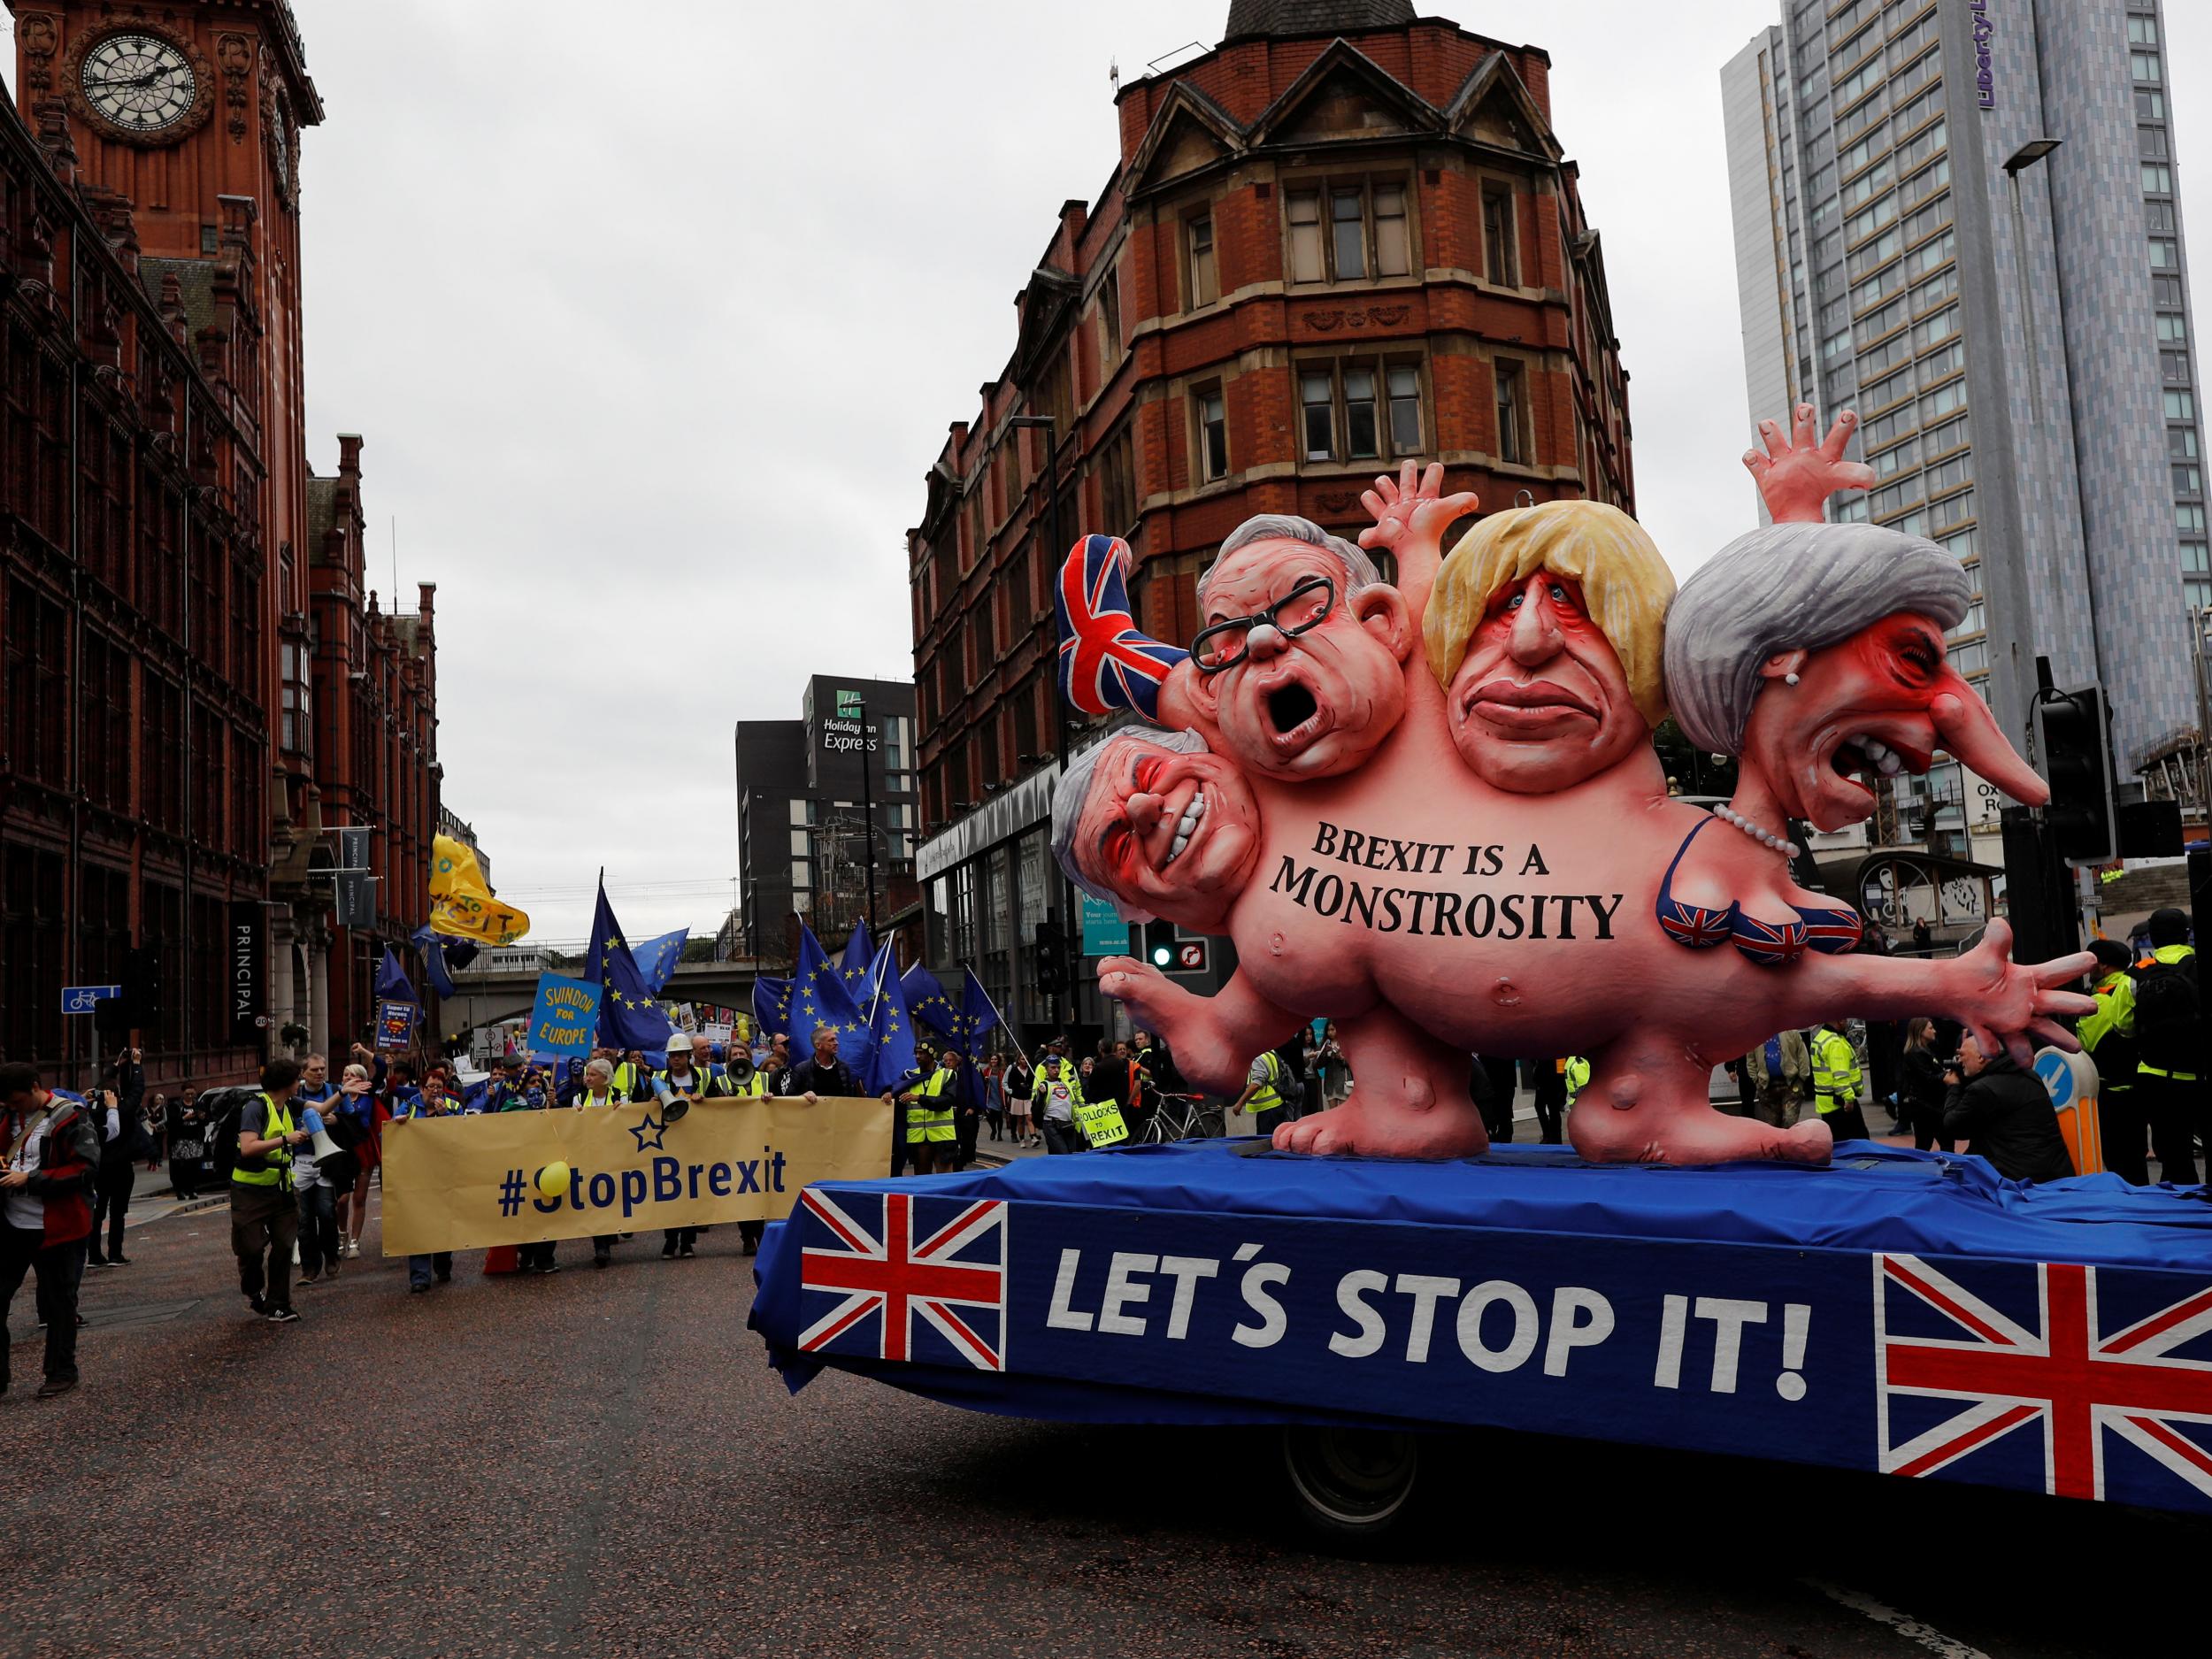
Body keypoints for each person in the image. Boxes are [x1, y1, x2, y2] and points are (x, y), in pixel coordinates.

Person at [0, 1063, 98, 1397]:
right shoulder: (6, 1118)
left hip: (58, 1226)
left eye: (17, 1102)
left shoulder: (70, 1116)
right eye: (8, 1105)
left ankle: (61, 1372)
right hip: (13, 1224)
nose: (13, 1109)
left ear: (34, 1087)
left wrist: (31, 1179)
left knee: (59, 1303)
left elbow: (85, 1168)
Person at [231, 1059, 309, 1324]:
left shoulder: (290, 1104)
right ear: (286, 1084)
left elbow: (321, 1107)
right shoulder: (255, 1107)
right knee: (251, 1248)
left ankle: (279, 1304)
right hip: (250, 1190)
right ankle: (253, 1289)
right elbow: (247, 1147)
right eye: (298, 1079)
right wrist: (286, 1139)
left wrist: (343, 1093)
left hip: (282, 1188)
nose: (301, 1084)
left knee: (285, 1245)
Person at [2129, 907, 2201, 1185]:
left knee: (2174, 1157)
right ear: (2186, 935)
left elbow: (2122, 1026)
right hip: (2200, 1076)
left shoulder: (2136, 975)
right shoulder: (2197, 965)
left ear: (2153, 938)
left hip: (2156, 1078)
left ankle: (2183, 1215)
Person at [1941, 1032, 2074, 1183]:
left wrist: (1954, 1087)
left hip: (2018, 1180)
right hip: (2056, 1172)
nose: (1959, 1061)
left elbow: (1953, 1126)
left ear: (1981, 1057)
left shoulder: (1983, 1090)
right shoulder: (2030, 1075)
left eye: (1962, 1055)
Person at [2076, 941, 2143, 1181]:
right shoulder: (2136, 984)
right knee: (2137, 1157)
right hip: (2140, 1085)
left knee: (2118, 1162)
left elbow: (2086, 1046)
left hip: (2111, 1093)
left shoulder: (2098, 1002)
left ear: (2102, 966)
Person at [88, 1082, 151, 1267]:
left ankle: (94, 1256)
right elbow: (136, 1093)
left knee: (97, 1214)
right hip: (120, 1168)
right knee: (117, 1213)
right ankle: (115, 1254)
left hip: (99, 1169)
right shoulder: (122, 1112)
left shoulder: (91, 1112)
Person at [572, 1058, 627, 1267]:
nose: (587, 1078)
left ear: (605, 1078)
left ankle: (617, 1229)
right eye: (587, 1074)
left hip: (615, 1155)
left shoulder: (619, 1095)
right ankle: (601, 1247)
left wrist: (623, 1110)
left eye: (592, 1074)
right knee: (597, 1200)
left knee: (617, 1197)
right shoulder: (579, 1098)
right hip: (591, 1156)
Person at [292, 1091, 343, 1286]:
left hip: (324, 1161)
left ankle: (331, 1254)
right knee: (303, 1220)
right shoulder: (294, 1102)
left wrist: (337, 1121)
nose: (319, 1072)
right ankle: (309, 1268)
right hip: (300, 1164)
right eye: (314, 1069)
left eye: (322, 1069)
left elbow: (353, 1121)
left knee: (326, 1213)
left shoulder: (331, 1092)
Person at [899, 1049, 963, 1175]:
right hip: (918, 1137)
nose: (918, 1056)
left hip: (942, 1136)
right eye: (916, 1053)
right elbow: (895, 1092)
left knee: (944, 1181)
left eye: (922, 1053)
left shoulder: (947, 1074)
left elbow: (947, 1102)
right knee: (921, 1180)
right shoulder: (908, 1076)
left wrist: (919, 1098)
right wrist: (888, 1094)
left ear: (933, 1054)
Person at [1809, 1022, 1870, 1143]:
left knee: (1838, 1143)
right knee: (1859, 1142)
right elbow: (1840, 1075)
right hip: (1840, 1103)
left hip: (1826, 1103)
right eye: (1844, 1018)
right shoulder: (1835, 1042)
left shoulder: (1821, 1037)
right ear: (1838, 1020)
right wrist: (1848, 1098)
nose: (1846, 1022)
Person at [1898, 1018, 1953, 1153]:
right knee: (1931, 1144)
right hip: (1926, 1107)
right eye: (1930, 1028)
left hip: (1929, 1106)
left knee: (1927, 1144)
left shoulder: (1924, 1051)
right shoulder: (1916, 1053)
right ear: (1921, 1031)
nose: (1934, 1031)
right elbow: (1927, 1078)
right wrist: (1945, 1076)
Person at [1744, 1030, 1809, 1129]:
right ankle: (1779, 1144)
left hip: (1790, 1084)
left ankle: (1788, 1143)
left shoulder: (1791, 1032)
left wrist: (1801, 1079)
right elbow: (1751, 1061)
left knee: (1789, 1122)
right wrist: (1757, 1082)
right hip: (1767, 1086)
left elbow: (1802, 1055)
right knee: (1773, 1126)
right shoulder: (1756, 1036)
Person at [1032, 1038, 1085, 1155]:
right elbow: (1035, 1100)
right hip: (1052, 1124)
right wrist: (1040, 1094)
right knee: (1063, 1154)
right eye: (1053, 1068)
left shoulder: (1069, 1067)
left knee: (1071, 1154)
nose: (1056, 1070)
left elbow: (1077, 1091)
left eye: (1058, 1068)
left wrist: (1083, 1108)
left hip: (1071, 1122)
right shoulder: (1041, 1069)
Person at [1230, 1045, 1291, 1140]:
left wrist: (1240, 1103)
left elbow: (1256, 1084)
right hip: (1275, 1106)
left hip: (1268, 1109)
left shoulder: (1257, 1057)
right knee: (1275, 1141)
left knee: (1267, 1144)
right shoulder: (1269, 1052)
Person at [1004, 1050, 1035, 1148]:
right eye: (1023, 1059)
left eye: (1026, 1059)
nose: (1025, 1061)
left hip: (1028, 1097)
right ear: (1018, 1060)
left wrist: (1029, 1086)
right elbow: (1009, 1084)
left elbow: (1034, 1082)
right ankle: (1022, 1139)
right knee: (1020, 1120)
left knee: (1030, 1117)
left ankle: (1034, 1137)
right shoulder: (1013, 1070)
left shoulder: (1030, 1069)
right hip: (1017, 1097)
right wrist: (1017, 1087)